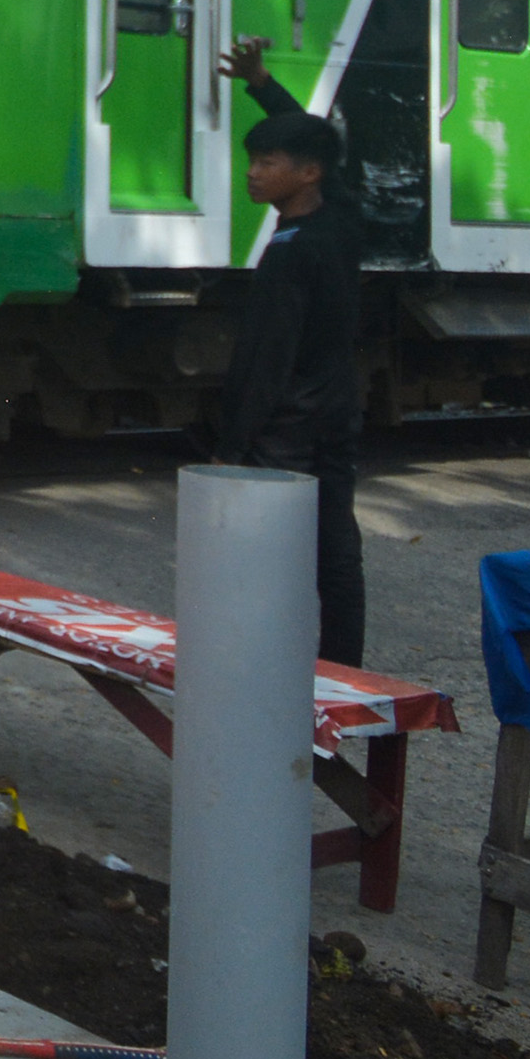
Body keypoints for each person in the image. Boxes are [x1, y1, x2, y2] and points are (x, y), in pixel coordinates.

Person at [213, 33, 366, 664]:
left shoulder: (291, 255)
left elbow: (265, 361)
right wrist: (262, 85)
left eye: (267, 162)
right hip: (334, 418)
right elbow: (325, 143)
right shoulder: (342, 217)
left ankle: (266, 673)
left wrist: (232, 443)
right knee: (336, 559)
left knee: (264, 566)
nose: (252, 171)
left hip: (287, 431)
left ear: (305, 175)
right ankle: (342, 676)